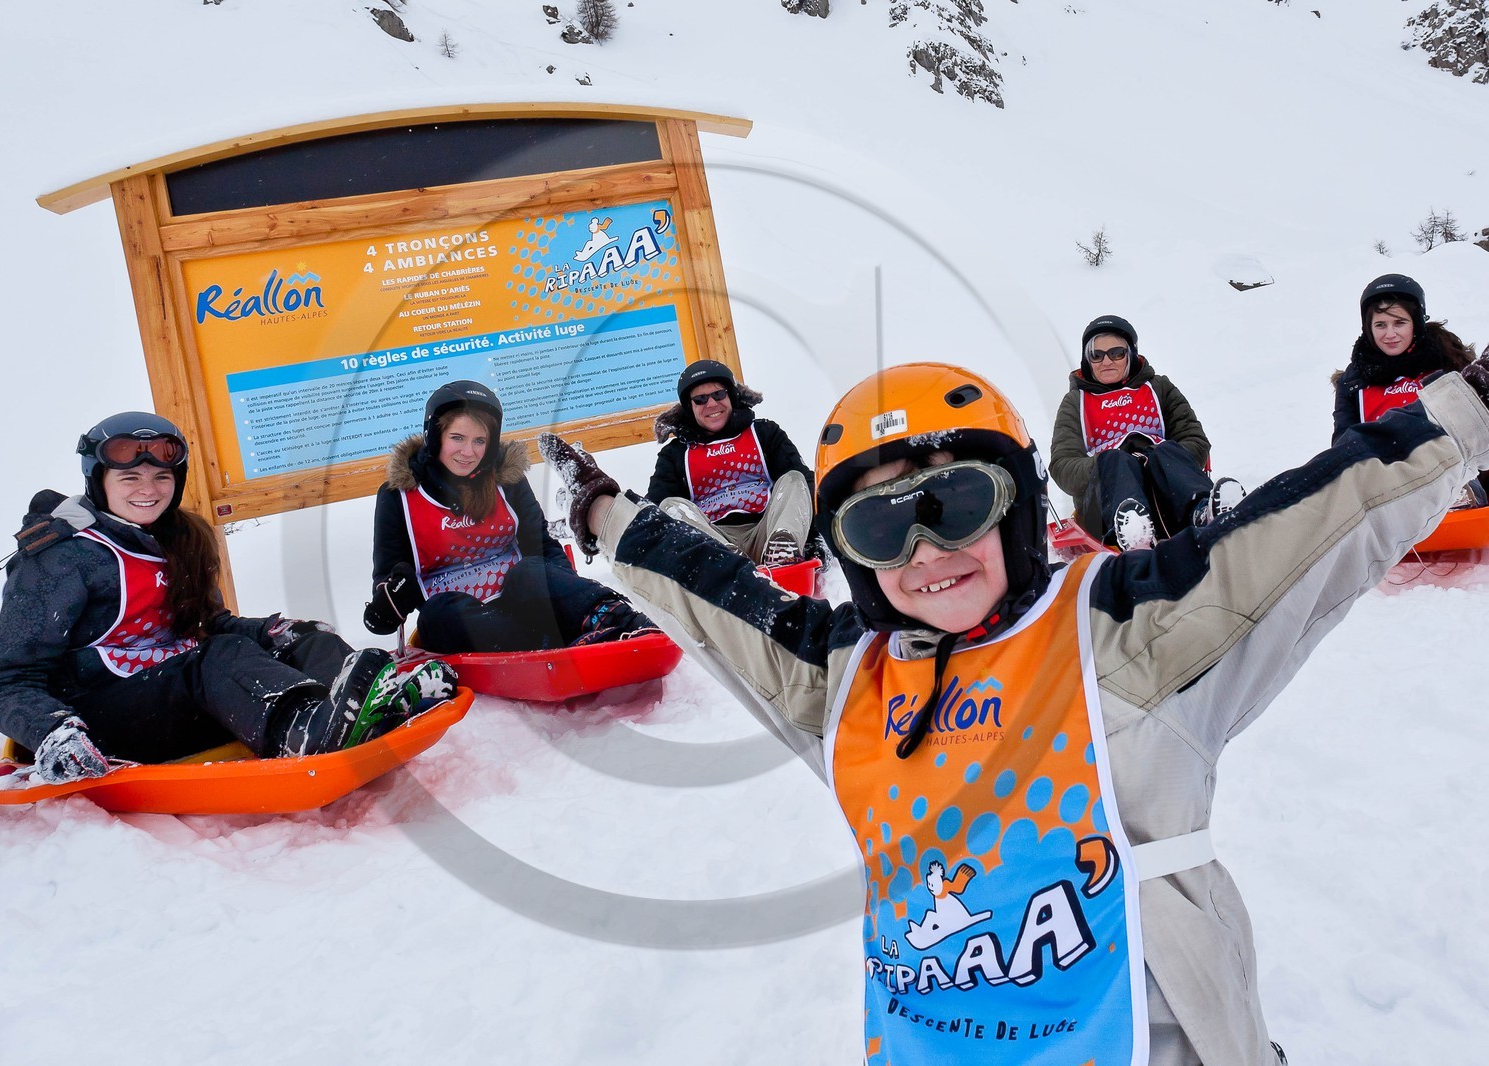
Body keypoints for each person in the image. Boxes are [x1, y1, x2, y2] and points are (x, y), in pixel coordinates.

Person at [540, 354, 1489, 1065]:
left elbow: (1324, 510)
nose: (924, 549)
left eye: (957, 500)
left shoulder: (1132, 633)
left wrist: (1471, 405)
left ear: (1019, 508)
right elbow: (716, 599)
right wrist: (601, 515)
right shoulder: (842, 685)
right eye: (879, 525)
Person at [0, 413, 454, 784]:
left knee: (305, 638)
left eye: (161, 478)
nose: (149, 490)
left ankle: (375, 705)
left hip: (183, 694)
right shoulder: (59, 557)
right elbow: (2, 682)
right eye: (129, 479)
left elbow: (207, 624)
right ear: (99, 482)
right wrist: (53, 732)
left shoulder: (181, 539)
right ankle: (305, 729)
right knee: (217, 658)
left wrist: (274, 632)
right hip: (103, 718)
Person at [363, 380, 655, 653]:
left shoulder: (506, 480)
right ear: (434, 436)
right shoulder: (398, 496)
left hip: (525, 600)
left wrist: (566, 592)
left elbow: (542, 545)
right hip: (462, 619)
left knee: (529, 571)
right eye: (457, 438)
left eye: (479, 441)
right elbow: (388, 575)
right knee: (436, 613)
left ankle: (619, 620)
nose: (468, 452)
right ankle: (543, 644)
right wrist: (389, 600)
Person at [1049, 314, 1244, 551]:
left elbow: (1196, 441)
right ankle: (1132, 531)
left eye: (1116, 353)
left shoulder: (1159, 388)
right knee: (1115, 459)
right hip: (1104, 510)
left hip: (1170, 495)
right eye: (1096, 355)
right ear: (1087, 360)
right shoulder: (1075, 402)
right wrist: (1106, 464)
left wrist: (1152, 459)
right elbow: (1063, 466)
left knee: (1165, 452)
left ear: (1130, 353)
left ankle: (1202, 512)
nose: (1106, 361)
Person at [1332, 273, 1486, 507]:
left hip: (1450, 476)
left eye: (1399, 323)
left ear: (1416, 322)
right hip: (1382, 486)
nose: (1390, 334)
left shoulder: (1447, 365)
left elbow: (1478, 428)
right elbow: (1343, 448)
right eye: (1380, 325)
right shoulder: (1353, 383)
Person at [646, 359, 819, 567]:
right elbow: (656, 508)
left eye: (718, 394)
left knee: (794, 479)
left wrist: (815, 537)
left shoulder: (764, 433)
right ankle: (726, 561)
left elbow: (804, 487)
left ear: (731, 396)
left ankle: (783, 549)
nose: (711, 404)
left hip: (766, 530)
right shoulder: (675, 453)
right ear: (690, 407)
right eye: (700, 399)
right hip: (714, 538)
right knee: (670, 506)